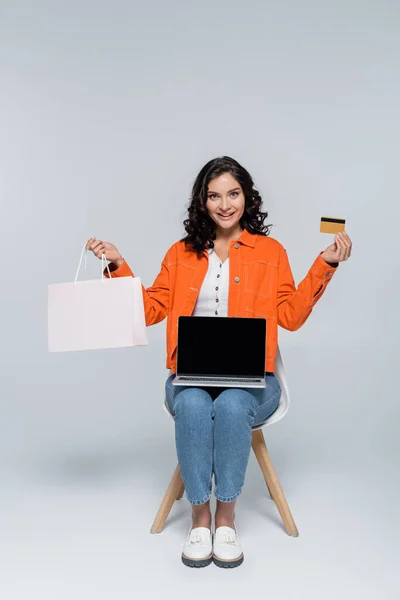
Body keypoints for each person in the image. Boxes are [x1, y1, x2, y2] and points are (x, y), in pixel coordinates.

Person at [86, 156, 352, 569]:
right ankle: (199, 518)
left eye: (233, 194)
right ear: (202, 201)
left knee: (230, 406)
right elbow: (152, 308)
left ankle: (225, 518)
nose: (225, 204)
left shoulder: (270, 252)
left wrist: (327, 264)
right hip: (190, 375)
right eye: (214, 196)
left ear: (247, 197)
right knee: (192, 404)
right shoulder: (180, 254)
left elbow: (291, 317)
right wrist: (118, 264)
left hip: (254, 380)